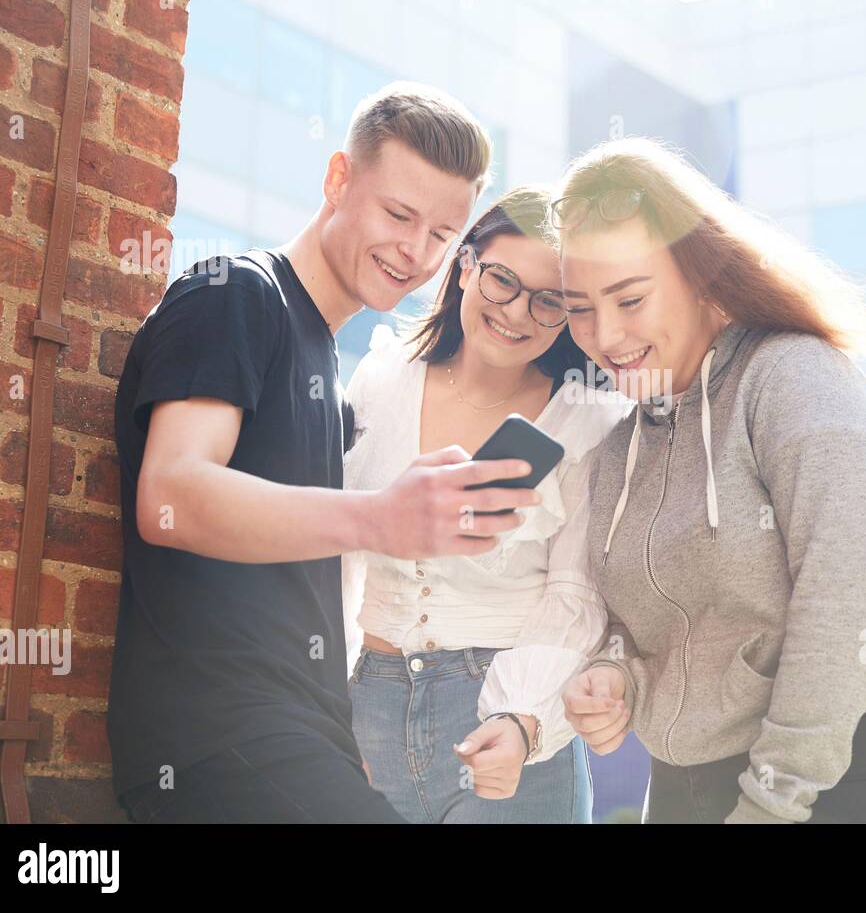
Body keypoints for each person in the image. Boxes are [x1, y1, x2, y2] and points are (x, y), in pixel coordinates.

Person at [108, 83, 543, 823]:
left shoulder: (333, 382)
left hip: (299, 742)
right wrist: (378, 516)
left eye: (443, 234)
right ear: (338, 179)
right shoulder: (235, 294)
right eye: (399, 215)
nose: (415, 251)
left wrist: (335, 731)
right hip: (217, 742)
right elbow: (170, 498)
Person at [557, 137, 866, 824]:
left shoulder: (794, 377)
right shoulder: (624, 443)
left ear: (700, 273)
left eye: (629, 299)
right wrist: (615, 674)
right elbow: (636, 624)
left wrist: (775, 796)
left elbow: (852, 599)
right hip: (687, 785)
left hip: (841, 776)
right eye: (580, 307)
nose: (605, 334)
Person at [341, 187, 631, 823]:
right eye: (502, 280)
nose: (518, 313)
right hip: (368, 709)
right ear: (466, 266)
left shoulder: (586, 422)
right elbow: (338, 556)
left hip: (502, 711)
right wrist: (325, 708)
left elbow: (576, 595)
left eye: (548, 299)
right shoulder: (383, 380)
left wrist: (522, 717)